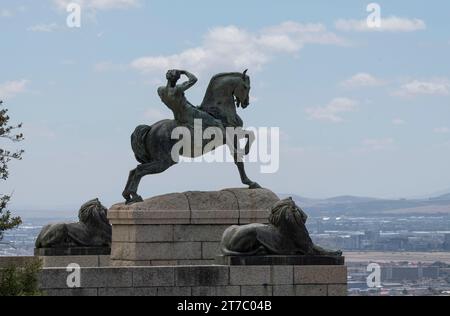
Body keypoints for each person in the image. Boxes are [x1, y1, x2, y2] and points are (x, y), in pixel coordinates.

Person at [157, 69, 223, 129]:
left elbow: (178, 102)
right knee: (217, 122)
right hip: (189, 113)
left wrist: (194, 107)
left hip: (177, 116)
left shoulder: (160, 90)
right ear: (177, 79)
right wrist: (184, 72)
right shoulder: (178, 89)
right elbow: (194, 79)